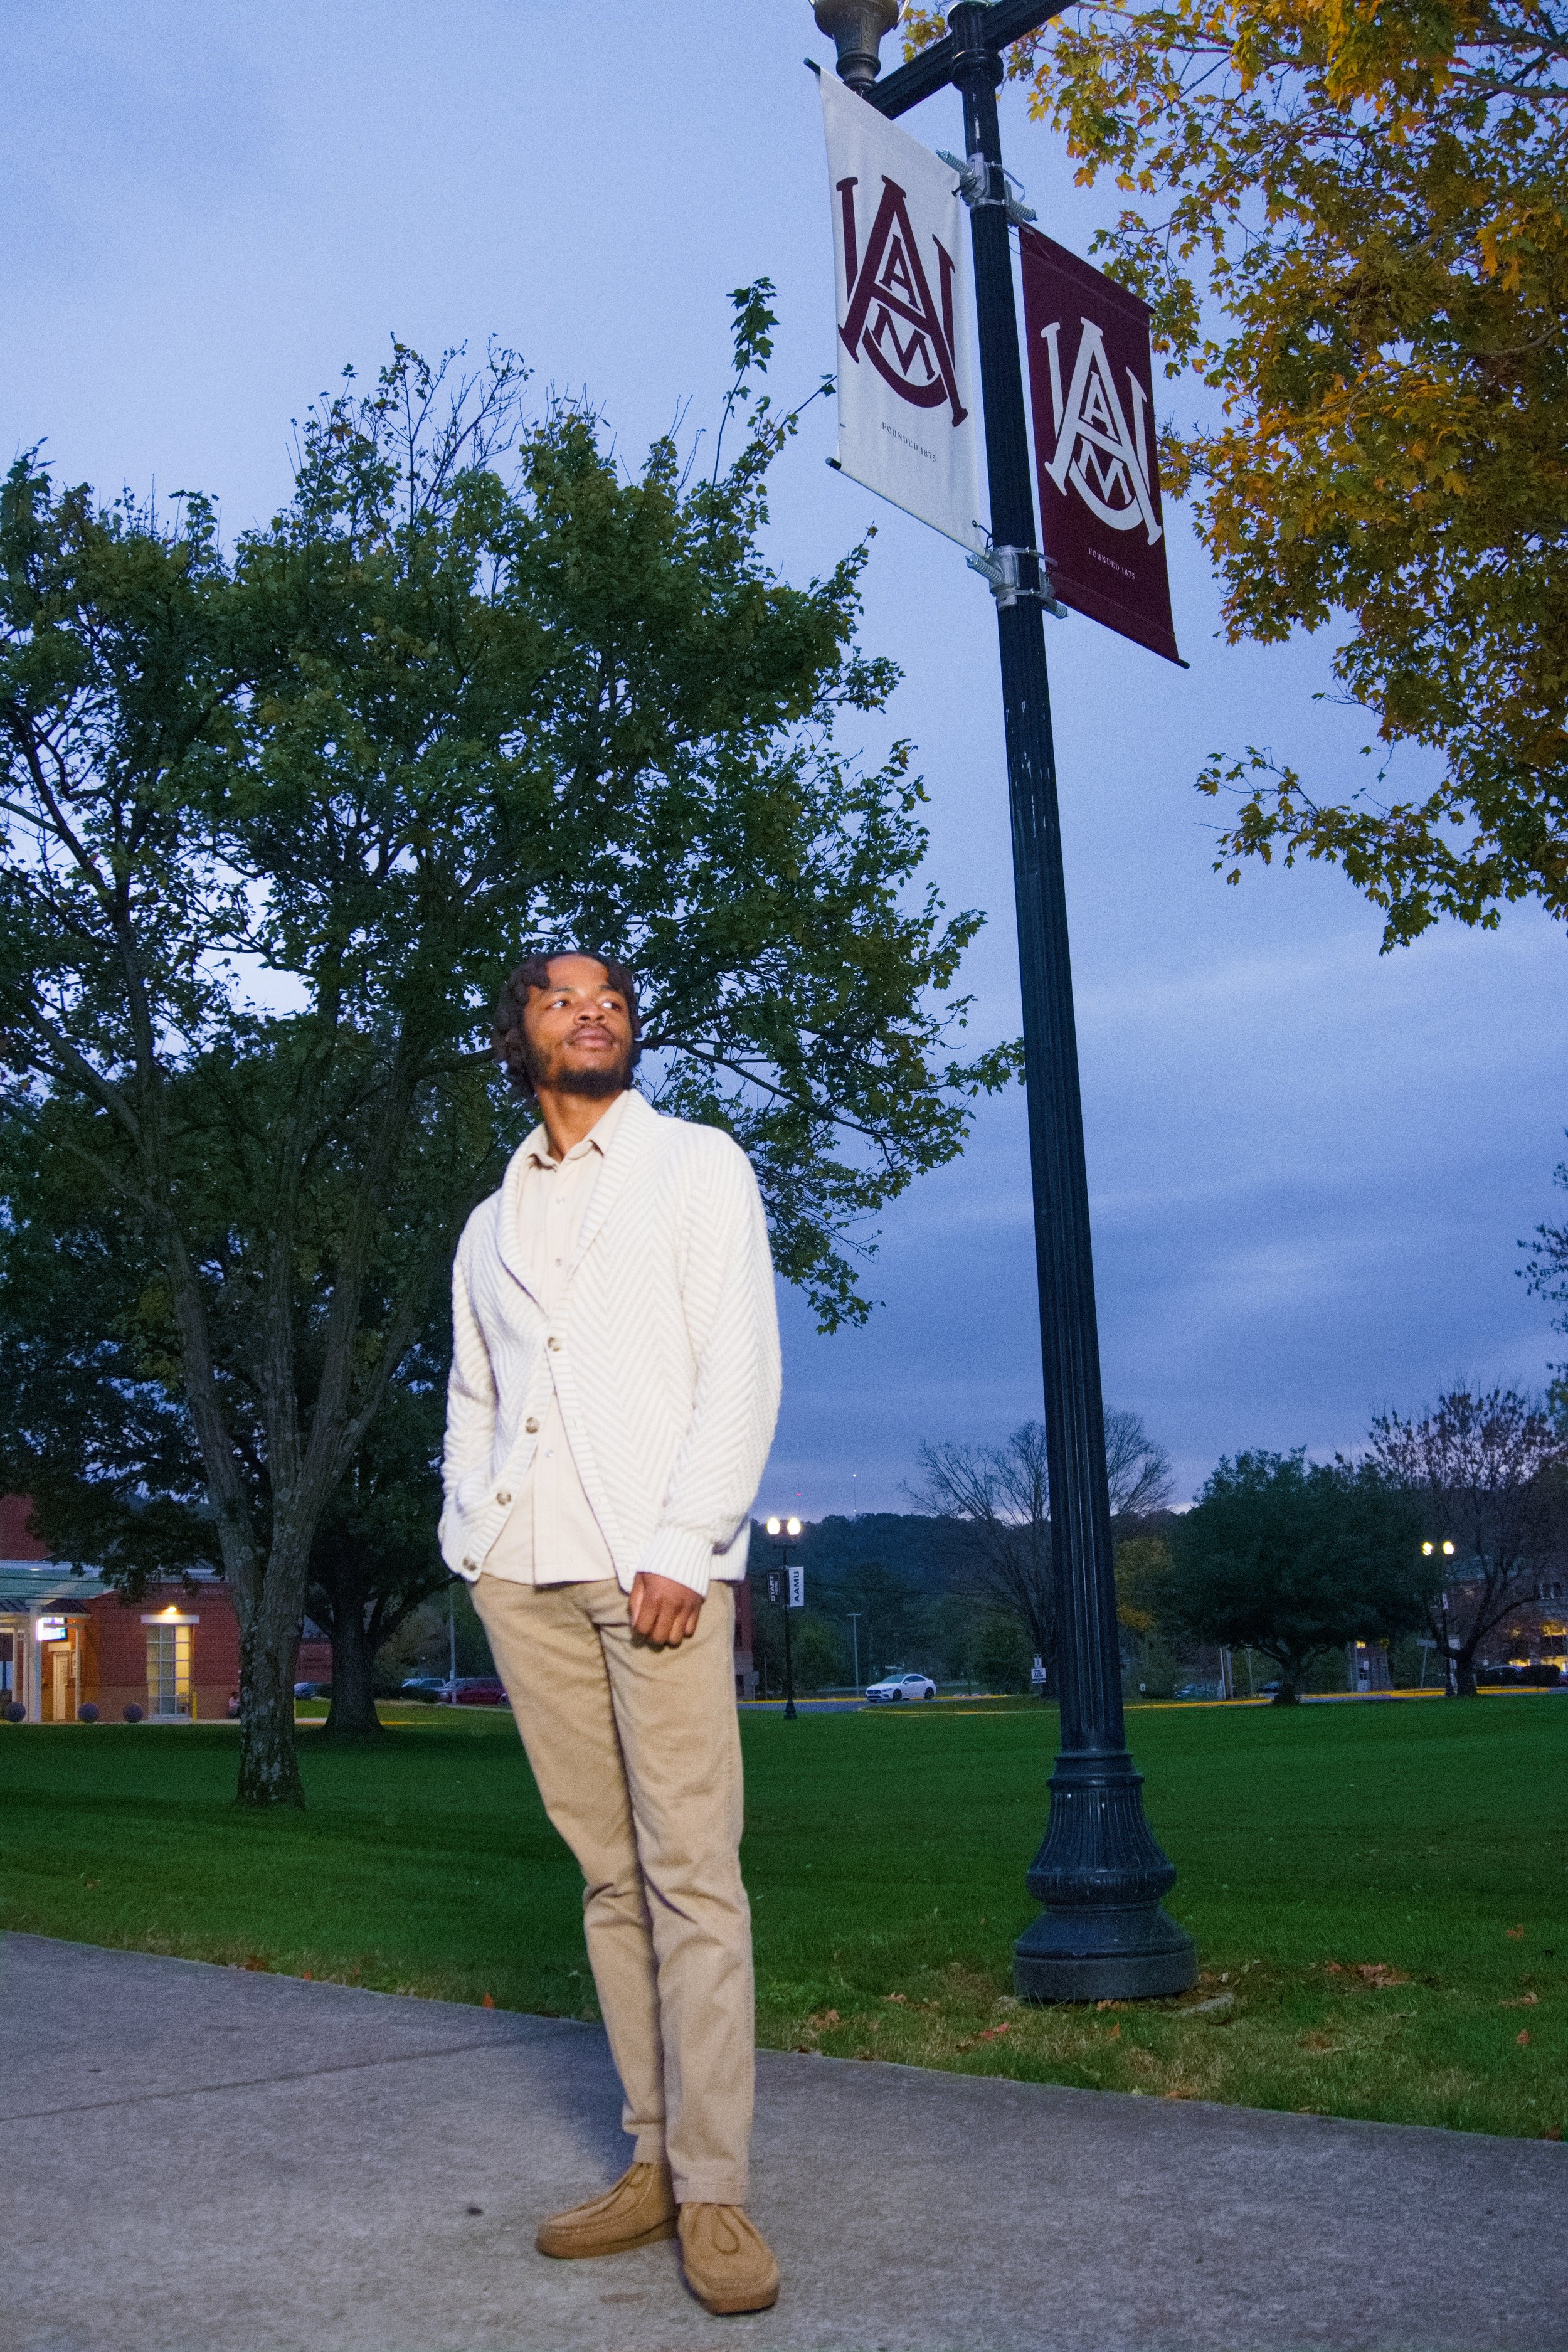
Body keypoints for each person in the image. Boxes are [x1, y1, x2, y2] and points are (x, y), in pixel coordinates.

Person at [440, 949, 783, 2316]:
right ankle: (646, 2160)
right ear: (516, 1035)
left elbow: (738, 1365)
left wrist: (687, 1544)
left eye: (614, 1001)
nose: (593, 1013)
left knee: (691, 1875)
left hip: (651, 1574)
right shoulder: (487, 1221)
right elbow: (473, 1392)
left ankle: (713, 2192)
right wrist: (468, 1534)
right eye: (559, 998)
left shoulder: (697, 1165)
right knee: (605, 1877)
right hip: (520, 1576)